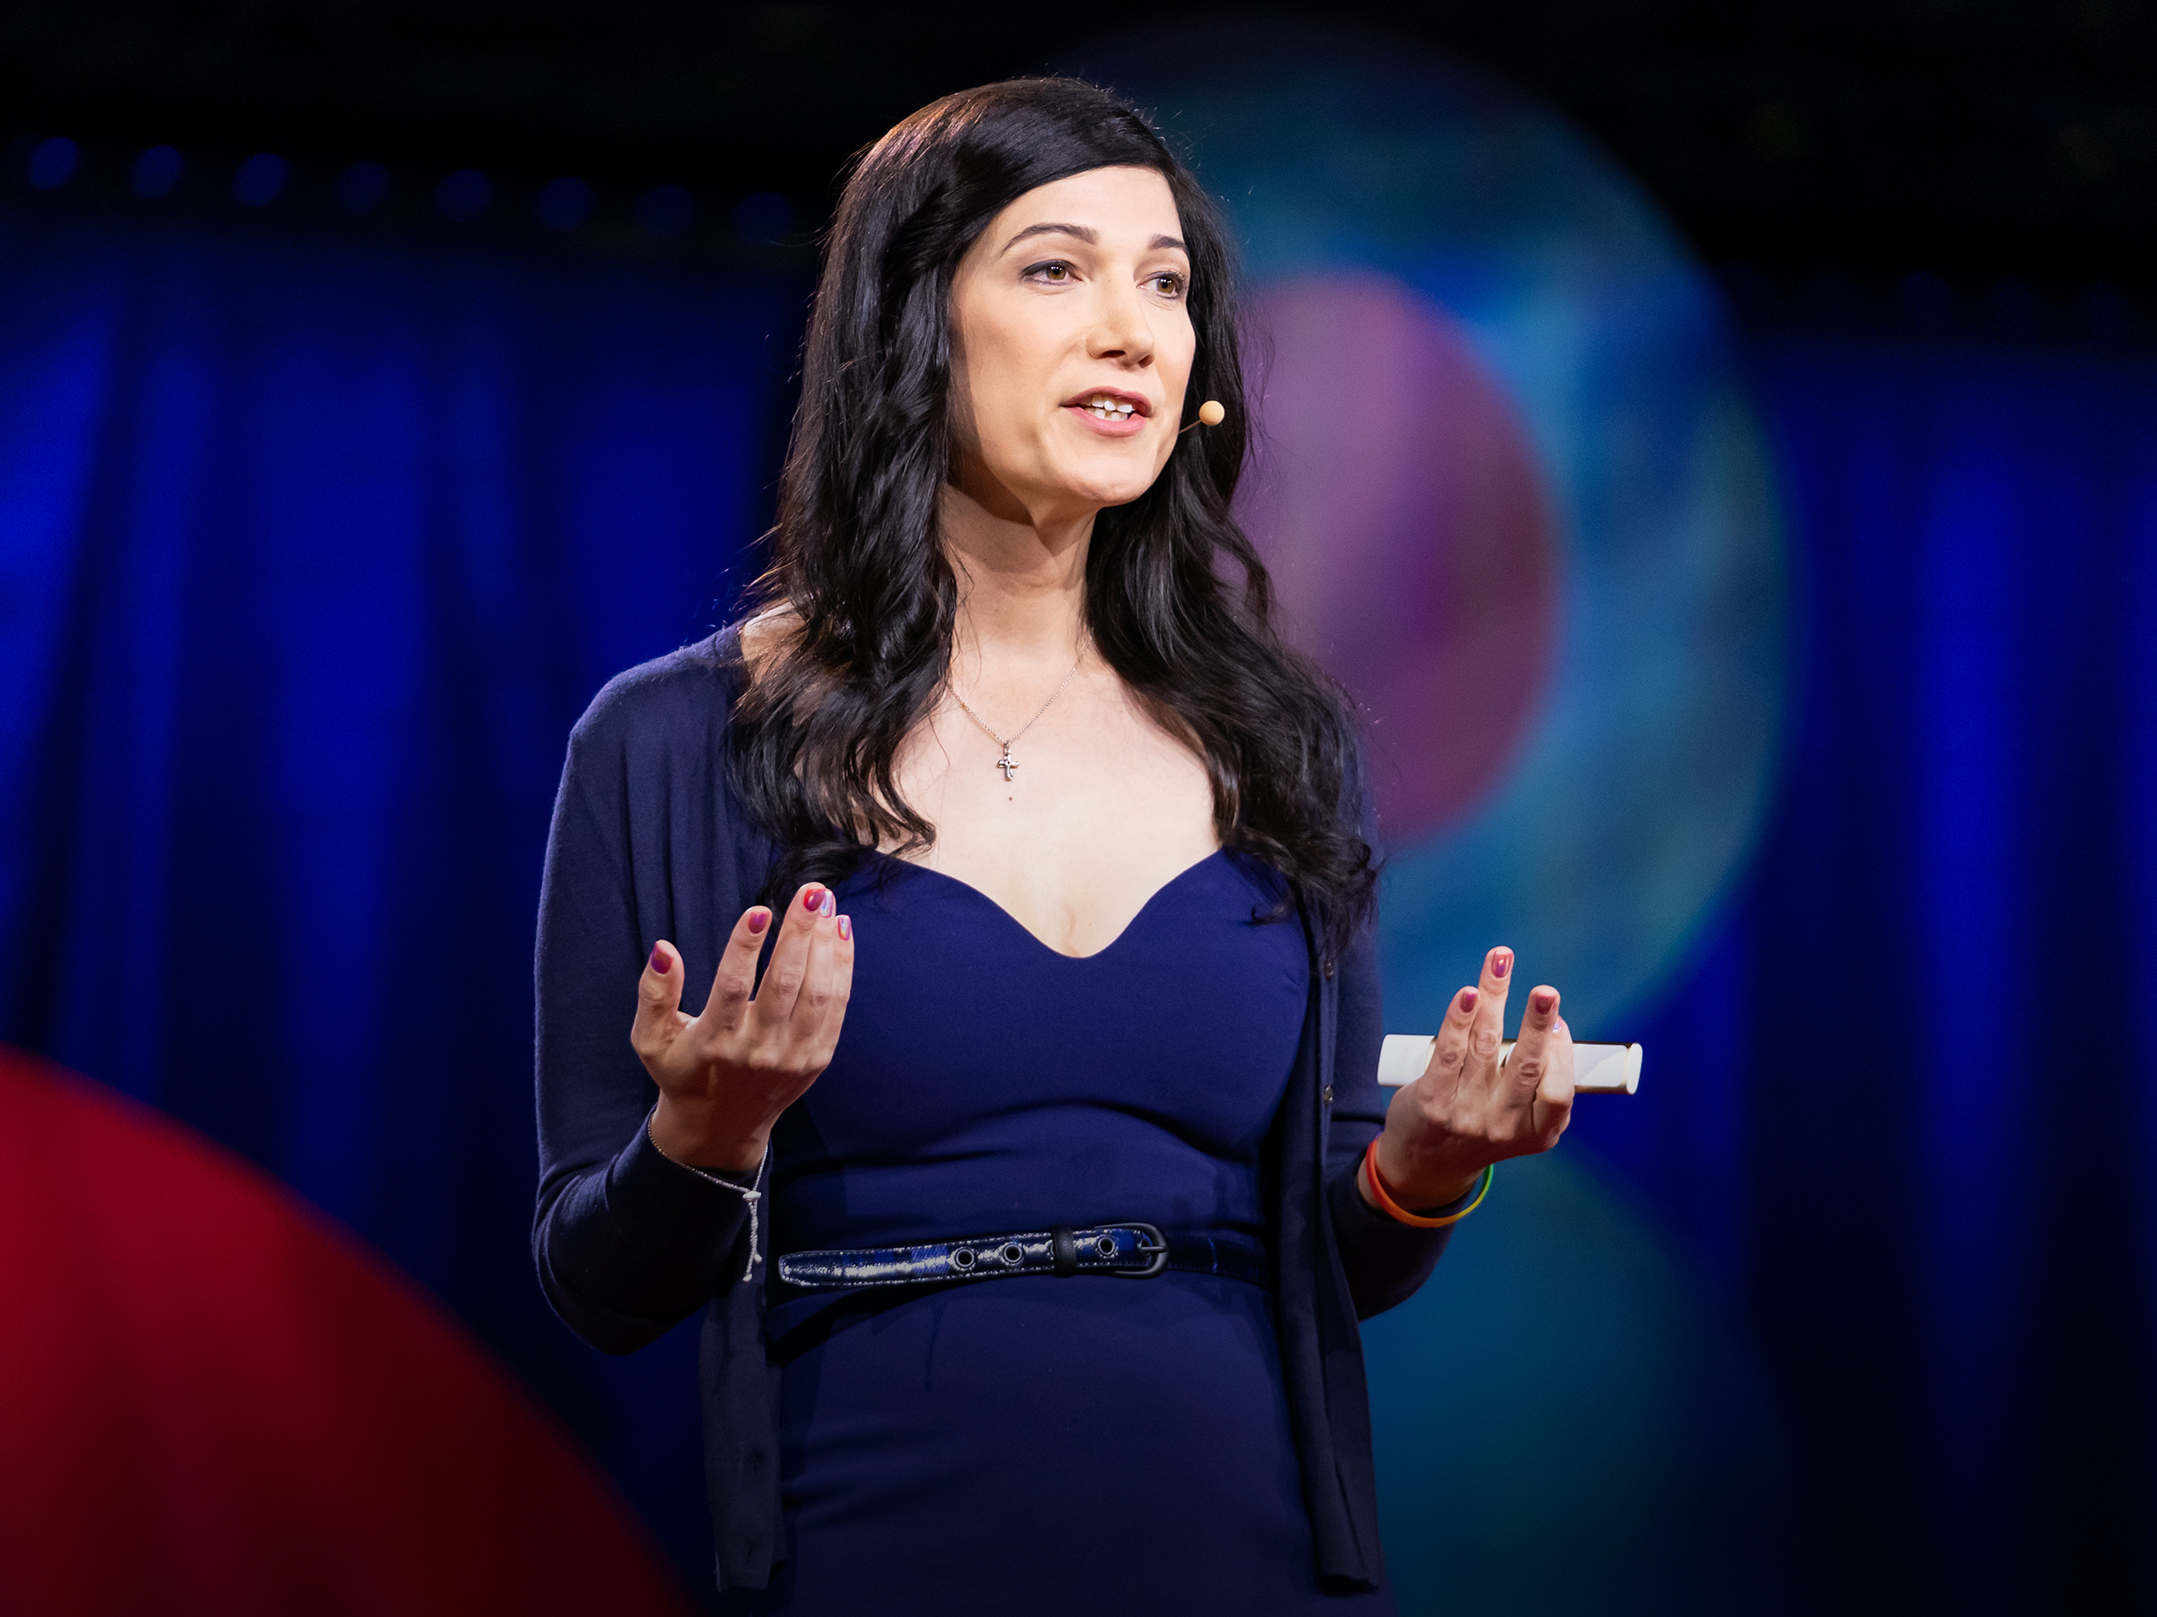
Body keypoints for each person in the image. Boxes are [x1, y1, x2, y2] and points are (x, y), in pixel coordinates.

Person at [533, 77, 1575, 1614]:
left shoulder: (1280, 748)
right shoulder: (680, 741)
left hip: (1242, 1545)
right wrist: (706, 1134)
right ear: (912, 326)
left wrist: (1420, 1172)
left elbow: (1328, 1263)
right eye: (1053, 268)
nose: (1132, 328)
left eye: (1165, 283)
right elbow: (596, 1284)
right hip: (875, 1537)